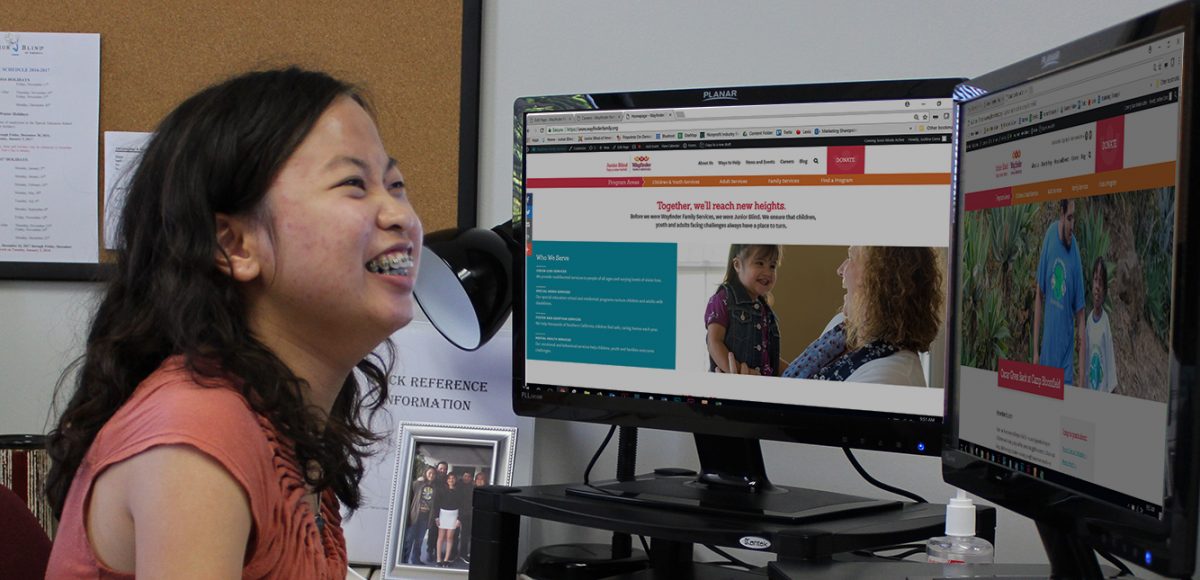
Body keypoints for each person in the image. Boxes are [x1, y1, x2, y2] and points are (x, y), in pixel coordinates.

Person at [43, 67, 423, 578]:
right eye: (354, 184)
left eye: (395, 185)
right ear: (234, 245)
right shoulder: (196, 433)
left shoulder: (281, 419)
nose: (400, 215)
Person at [776, 246, 942, 386]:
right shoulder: (843, 326)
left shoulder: (890, 377)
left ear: (881, 278)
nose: (840, 270)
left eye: (851, 257)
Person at [705, 244, 784, 376]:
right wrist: (737, 370)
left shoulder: (764, 310)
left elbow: (770, 359)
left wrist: (797, 370)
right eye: (760, 263)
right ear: (737, 265)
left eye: (772, 266)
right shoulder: (723, 299)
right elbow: (714, 342)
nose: (768, 272)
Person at [1033, 199, 1086, 386]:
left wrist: (1081, 380)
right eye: (1069, 218)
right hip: (1046, 358)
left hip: (1065, 370)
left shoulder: (1075, 254)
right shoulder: (1049, 237)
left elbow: (1080, 315)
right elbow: (1039, 295)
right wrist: (1035, 352)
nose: (1072, 225)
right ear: (1061, 215)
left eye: (1074, 219)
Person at [1084, 258, 1118, 393]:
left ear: (1104, 291)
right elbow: (1086, 362)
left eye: (1101, 283)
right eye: (1095, 280)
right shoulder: (1088, 322)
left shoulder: (1105, 322)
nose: (1097, 287)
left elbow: (1109, 362)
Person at [431, 473, 468, 567]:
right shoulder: (441, 490)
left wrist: (459, 519)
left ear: (455, 480)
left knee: (449, 538)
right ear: (447, 480)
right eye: (449, 478)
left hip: (454, 515)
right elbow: (436, 504)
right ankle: (439, 559)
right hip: (442, 514)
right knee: (440, 537)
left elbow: (462, 506)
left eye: (453, 478)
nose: (451, 480)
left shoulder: (459, 492)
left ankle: (446, 560)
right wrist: (436, 517)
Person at [404, 466, 437, 564]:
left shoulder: (435, 488)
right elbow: (409, 499)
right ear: (425, 473)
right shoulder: (417, 484)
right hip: (414, 516)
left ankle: (415, 559)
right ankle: (403, 560)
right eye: (429, 473)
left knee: (419, 540)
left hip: (425, 518)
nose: (431, 475)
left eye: (433, 474)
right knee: (409, 540)